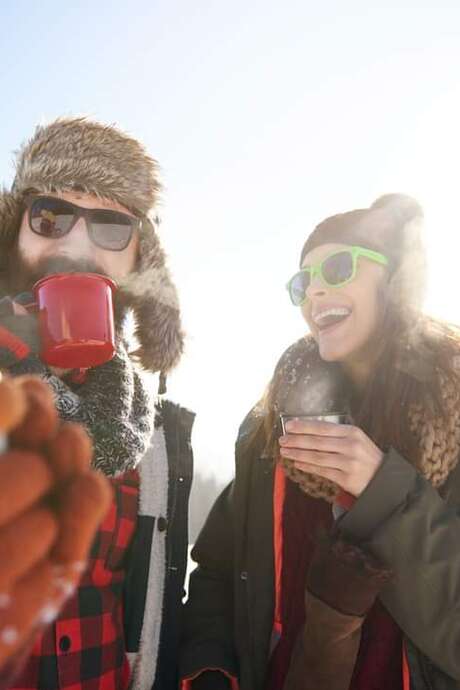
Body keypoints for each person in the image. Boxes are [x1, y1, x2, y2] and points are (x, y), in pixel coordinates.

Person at [181, 194, 460, 690]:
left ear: (394, 280)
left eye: (338, 267)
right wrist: (210, 673)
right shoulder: (270, 427)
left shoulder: (452, 413)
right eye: (303, 282)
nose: (315, 293)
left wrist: (382, 490)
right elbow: (219, 573)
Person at [0, 117, 194, 690]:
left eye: (112, 227)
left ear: (139, 261)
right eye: (51, 217)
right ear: (15, 232)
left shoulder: (156, 434)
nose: (76, 246)